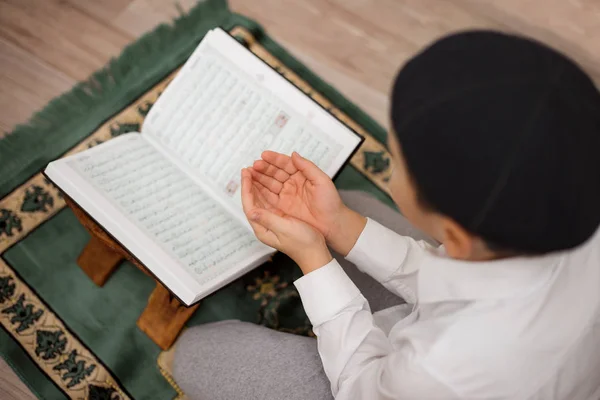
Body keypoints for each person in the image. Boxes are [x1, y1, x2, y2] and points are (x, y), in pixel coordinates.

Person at [173, 31, 600, 399]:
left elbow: (361, 386)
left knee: (196, 355)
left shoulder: (440, 368)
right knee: (352, 207)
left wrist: (313, 259)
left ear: (455, 233)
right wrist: (337, 226)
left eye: (396, 160)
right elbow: (453, 273)